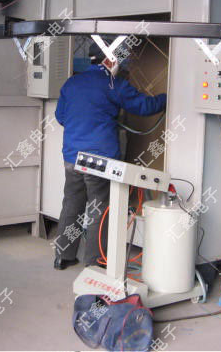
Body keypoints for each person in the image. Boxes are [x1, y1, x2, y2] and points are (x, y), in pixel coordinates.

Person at [53, 41, 167, 270]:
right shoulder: (114, 84)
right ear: (110, 60)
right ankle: (95, 262)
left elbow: (61, 117)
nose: (123, 65)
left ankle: (62, 256)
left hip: (72, 157)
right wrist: (168, 96)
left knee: (72, 204)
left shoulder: (72, 82)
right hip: (100, 159)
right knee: (100, 209)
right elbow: (145, 106)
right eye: (120, 59)